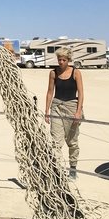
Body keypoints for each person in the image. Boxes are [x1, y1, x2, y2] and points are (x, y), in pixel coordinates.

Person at [44, 47, 84, 180]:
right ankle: (55, 169)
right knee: (56, 141)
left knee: (72, 141)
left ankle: (73, 168)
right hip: (56, 106)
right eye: (59, 60)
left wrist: (78, 111)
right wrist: (47, 111)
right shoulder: (53, 73)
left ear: (68, 60)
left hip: (72, 107)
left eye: (64, 60)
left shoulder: (76, 72)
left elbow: (81, 93)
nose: (61, 62)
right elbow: (50, 92)